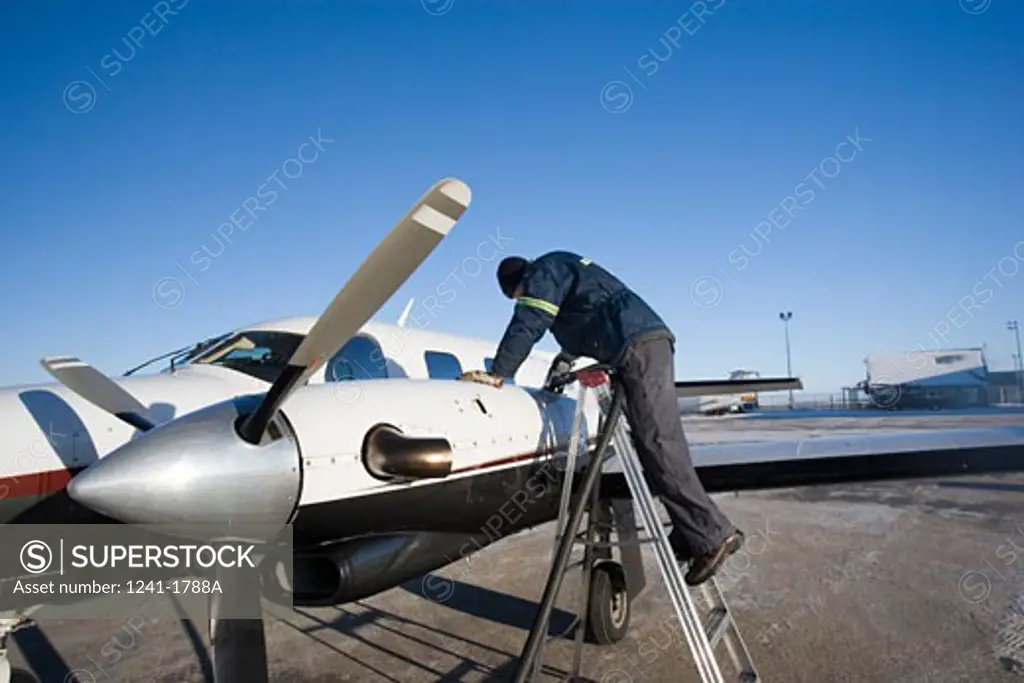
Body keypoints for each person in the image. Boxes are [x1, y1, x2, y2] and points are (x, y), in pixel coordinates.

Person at [457, 251, 743, 586]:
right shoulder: (562, 274)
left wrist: (500, 372)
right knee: (650, 445)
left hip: (637, 348)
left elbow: (531, 318)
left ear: (516, 284)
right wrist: (563, 363)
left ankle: (713, 535)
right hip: (635, 346)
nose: (521, 300)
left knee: (659, 445)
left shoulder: (543, 272)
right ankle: (690, 530)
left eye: (517, 296)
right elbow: (586, 317)